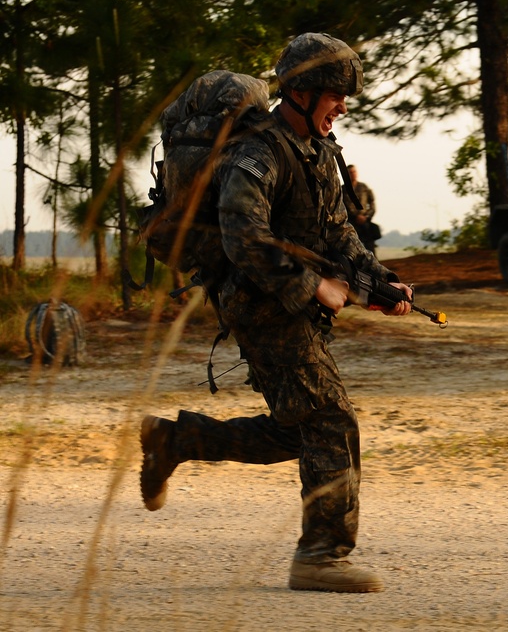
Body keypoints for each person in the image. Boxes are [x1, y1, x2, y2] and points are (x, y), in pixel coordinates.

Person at [138, 33, 412, 594]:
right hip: (259, 304)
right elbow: (244, 240)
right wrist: (315, 286)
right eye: (336, 94)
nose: (342, 106)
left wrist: (377, 281)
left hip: (285, 305)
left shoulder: (319, 152)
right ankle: (321, 556)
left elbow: (336, 230)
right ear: (302, 91)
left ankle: (176, 442)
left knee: (298, 430)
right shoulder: (257, 153)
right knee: (330, 420)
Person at [345, 164, 380, 254]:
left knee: (370, 242)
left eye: (354, 172)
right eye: (350, 172)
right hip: (350, 221)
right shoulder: (343, 189)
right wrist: (354, 217)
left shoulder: (364, 187)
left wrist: (366, 217)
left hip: (364, 221)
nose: (353, 174)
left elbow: (372, 204)